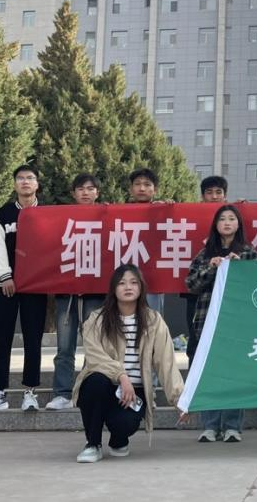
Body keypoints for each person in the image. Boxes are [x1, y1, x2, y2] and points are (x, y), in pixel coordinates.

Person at [73, 264, 187, 462]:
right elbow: (95, 357)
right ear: (113, 288)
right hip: (105, 384)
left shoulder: (153, 320)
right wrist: (121, 376)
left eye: (134, 282)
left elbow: (166, 362)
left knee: (125, 423)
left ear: (141, 288)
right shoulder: (97, 319)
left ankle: (119, 440)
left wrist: (180, 400)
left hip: (134, 391)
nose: (128, 287)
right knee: (95, 382)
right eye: (122, 283)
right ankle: (93, 444)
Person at [185, 204, 257, 442]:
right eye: (222, 219)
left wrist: (240, 269)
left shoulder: (248, 252)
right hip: (208, 321)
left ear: (239, 225)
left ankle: (232, 427)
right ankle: (209, 426)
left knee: (233, 374)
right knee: (209, 373)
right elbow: (191, 284)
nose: (227, 223)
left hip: (237, 323)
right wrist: (211, 267)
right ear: (215, 225)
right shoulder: (205, 253)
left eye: (231, 219)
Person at [0, 165, 48, 412]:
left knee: (33, 340)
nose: (25, 182)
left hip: (36, 287)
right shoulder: (4, 214)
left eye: (30, 178)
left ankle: (30, 392)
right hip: (6, 286)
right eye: (20, 178)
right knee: (2, 339)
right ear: (15, 184)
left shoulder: (47, 213)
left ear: (37, 184)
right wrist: (5, 276)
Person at [47, 174, 107, 410]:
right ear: (73, 193)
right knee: (64, 347)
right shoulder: (63, 218)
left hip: (95, 293)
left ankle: (85, 391)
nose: (85, 193)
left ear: (97, 193)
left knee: (94, 345)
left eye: (90, 188)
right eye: (80, 189)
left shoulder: (107, 216)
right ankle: (62, 393)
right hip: (67, 295)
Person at [183, 175, 228, 364]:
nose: (214, 196)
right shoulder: (190, 215)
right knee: (197, 343)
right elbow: (191, 282)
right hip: (199, 297)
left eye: (219, 192)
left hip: (228, 299)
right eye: (209, 192)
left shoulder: (243, 247)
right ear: (202, 196)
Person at [127, 168, 166, 313]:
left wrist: (168, 210)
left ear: (155, 190)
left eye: (147, 184)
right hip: (128, 275)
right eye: (137, 184)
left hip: (154, 276)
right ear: (131, 189)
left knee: (153, 318)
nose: (142, 188)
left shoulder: (162, 209)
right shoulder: (119, 212)